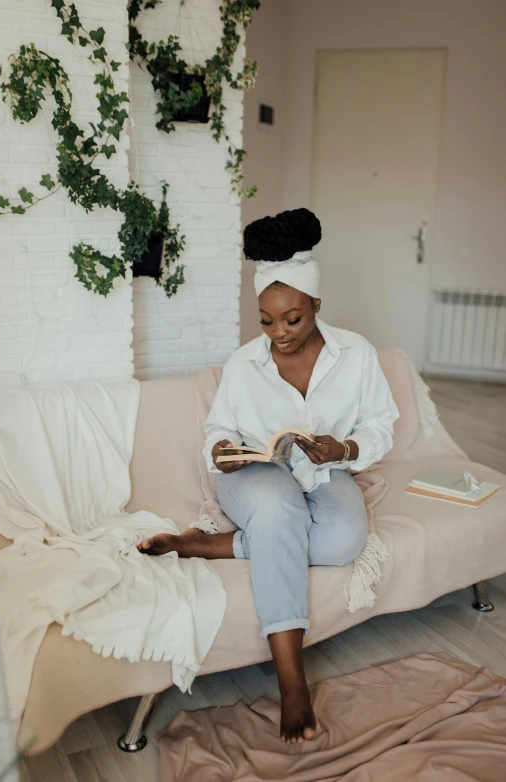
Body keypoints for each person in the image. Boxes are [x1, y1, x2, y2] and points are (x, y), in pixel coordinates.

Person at [139, 208, 399, 745]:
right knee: (279, 510)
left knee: (345, 538)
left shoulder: (356, 355)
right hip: (255, 477)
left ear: (316, 307)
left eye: (292, 319)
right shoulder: (244, 364)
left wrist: (345, 447)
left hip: (322, 471)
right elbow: (219, 428)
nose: (277, 333)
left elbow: (381, 425)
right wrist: (223, 453)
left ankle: (211, 545)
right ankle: (292, 680)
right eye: (266, 319)